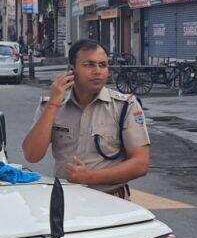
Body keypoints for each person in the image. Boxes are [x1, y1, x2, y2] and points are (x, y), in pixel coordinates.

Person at [21, 39, 150, 199]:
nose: (97, 71)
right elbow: (32, 155)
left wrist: (89, 177)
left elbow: (141, 163)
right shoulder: (52, 104)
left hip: (111, 201)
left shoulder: (124, 106)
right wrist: (53, 104)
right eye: (89, 65)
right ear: (72, 70)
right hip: (65, 201)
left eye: (103, 65)